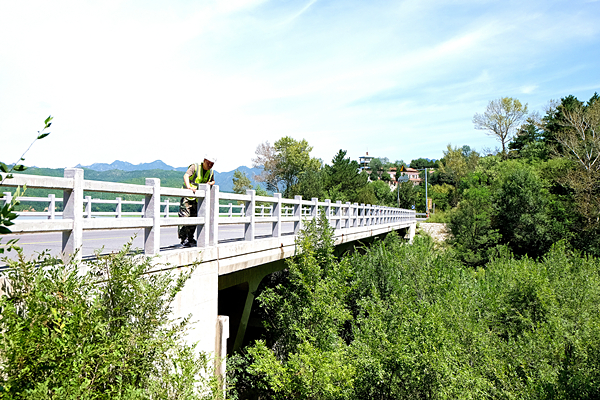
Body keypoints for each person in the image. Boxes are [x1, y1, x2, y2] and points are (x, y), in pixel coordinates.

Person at [178, 156, 216, 247]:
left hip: (197, 198)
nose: (210, 165)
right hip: (188, 196)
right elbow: (186, 175)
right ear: (204, 161)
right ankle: (184, 238)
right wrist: (188, 187)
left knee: (195, 217)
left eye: (212, 164)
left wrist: (210, 183)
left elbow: (213, 181)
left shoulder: (211, 172)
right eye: (209, 163)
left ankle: (191, 238)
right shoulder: (195, 167)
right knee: (185, 217)